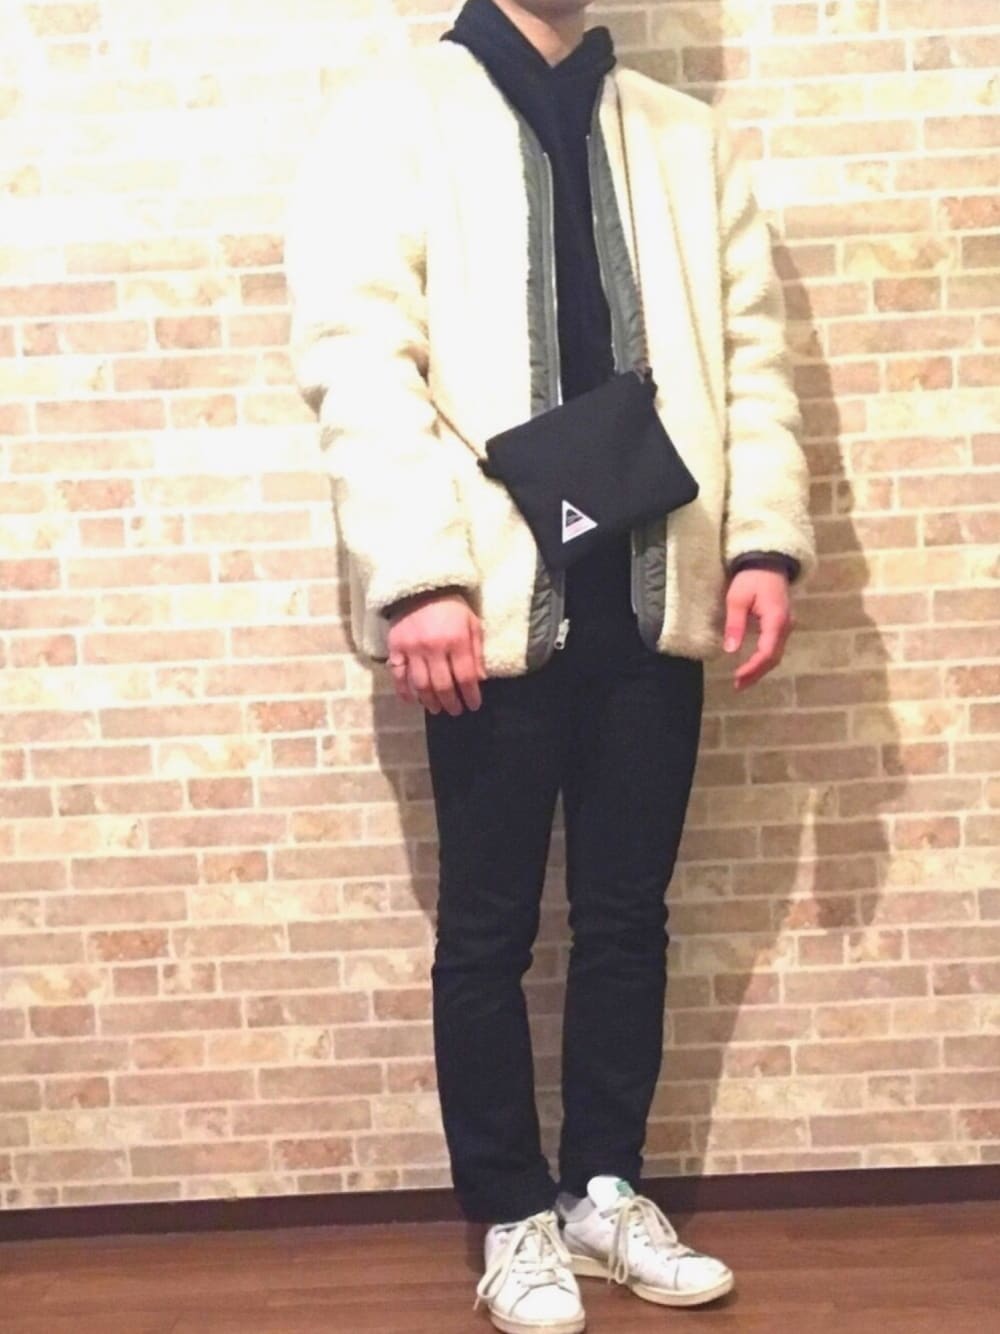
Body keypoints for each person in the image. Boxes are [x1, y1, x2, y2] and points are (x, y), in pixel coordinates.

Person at [285, 1, 816, 1329]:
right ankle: (511, 1213)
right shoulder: (394, 114)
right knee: (488, 927)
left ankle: (604, 1189)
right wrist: (419, 573)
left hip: (655, 589)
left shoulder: (686, 138)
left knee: (630, 915)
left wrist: (763, 540)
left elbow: (755, 355)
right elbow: (358, 356)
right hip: (486, 604)